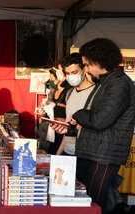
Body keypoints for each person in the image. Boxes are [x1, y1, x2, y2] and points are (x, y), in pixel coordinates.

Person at [52, 38, 135, 213]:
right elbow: (97, 122)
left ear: (98, 61)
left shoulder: (119, 84)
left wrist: (78, 114)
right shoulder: (106, 82)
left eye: (87, 65)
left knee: (92, 204)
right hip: (93, 152)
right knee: (85, 202)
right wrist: (71, 129)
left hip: (103, 156)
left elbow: (100, 120)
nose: (86, 69)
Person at [56, 53, 94, 156]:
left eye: (74, 72)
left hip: (86, 154)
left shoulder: (95, 93)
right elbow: (67, 132)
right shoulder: (69, 93)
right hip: (67, 152)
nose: (71, 76)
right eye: (67, 74)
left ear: (84, 70)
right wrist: (58, 155)